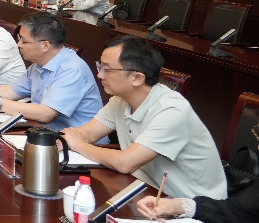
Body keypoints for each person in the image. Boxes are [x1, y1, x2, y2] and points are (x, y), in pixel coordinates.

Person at [60, 36, 225, 198]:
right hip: (145, 189)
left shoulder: (172, 110)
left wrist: (78, 144)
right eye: (100, 67)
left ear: (137, 78)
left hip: (190, 205)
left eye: (107, 69)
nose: (100, 75)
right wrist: (58, 142)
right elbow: (86, 133)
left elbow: (125, 163)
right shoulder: (120, 100)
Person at [0, 12, 103, 131]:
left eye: (24, 41)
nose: (18, 45)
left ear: (45, 45)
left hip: (80, 146)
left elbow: (46, 114)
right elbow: (8, 92)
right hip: (46, 134)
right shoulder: (39, 64)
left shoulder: (71, 69)